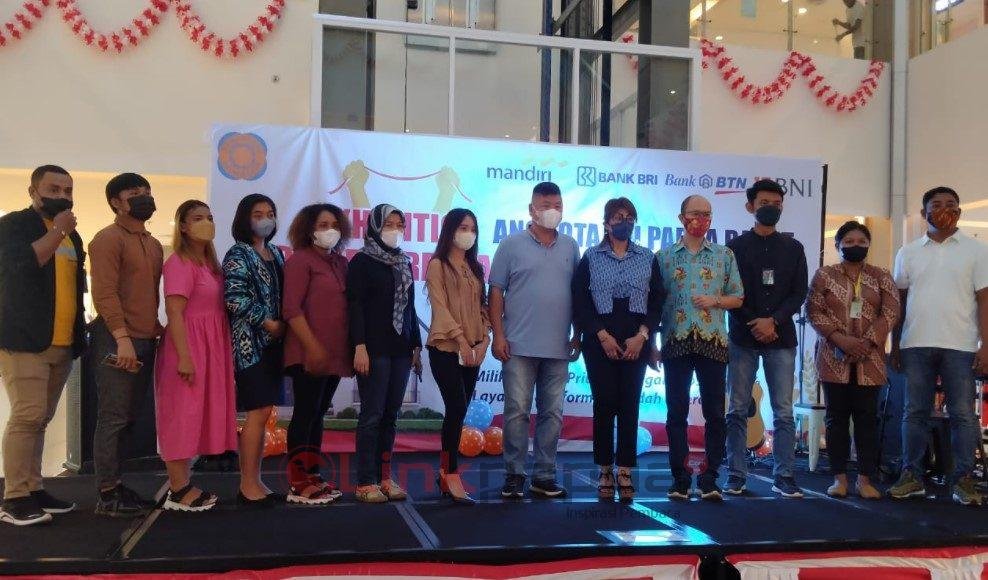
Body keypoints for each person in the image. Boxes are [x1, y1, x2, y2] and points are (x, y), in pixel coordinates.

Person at [889, 186, 988, 506]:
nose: (944, 209)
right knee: (914, 412)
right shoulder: (908, 252)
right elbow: (899, 303)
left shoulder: (977, 250)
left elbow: (984, 300)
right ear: (923, 213)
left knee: (963, 414)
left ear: (959, 211)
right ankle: (911, 476)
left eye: (950, 204)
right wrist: (895, 344)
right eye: (936, 205)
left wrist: (985, 345)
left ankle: (964, 480)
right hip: (915, 343)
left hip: (961, 344)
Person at [0, 165, 84, 526]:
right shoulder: (14, 225)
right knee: (27, 415)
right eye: (54, 189)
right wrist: (58, 230)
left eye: (68, 190)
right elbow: (20, 265)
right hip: (24, 340)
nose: (62, 196)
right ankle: (14, 496)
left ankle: (34, 488)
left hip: (61, 342)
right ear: (33, 192)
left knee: (41, 419)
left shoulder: (73, 237)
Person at [490, 181, 581, 499]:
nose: (552, 211)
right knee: (516, 412)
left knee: (552, 414)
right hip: (517, 346)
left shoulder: (571, 246)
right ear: (531, 209)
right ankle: (514, 474)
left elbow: (577, 294)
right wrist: (498, 335)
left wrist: (578, 334)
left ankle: (544, 475)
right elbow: (496, 292)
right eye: (545, 206)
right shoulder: (510, 244)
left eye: (557, 205)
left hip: (558, 347)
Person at [572, 197, 665, 502]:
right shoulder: (591, 256)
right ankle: (604, 470)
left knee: (629, 404)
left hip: (636, 337)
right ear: (606, 223)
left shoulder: (647, 257)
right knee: (604, 403)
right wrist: (601, 335)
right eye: (617, 217)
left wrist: (643, 336)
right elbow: (580, 300)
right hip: (600, 338)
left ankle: (625, 470)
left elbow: (657, 301)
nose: (624, 222)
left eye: (629, 217)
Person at [656, 195, 744, 501]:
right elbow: (655, 304)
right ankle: (679, 479)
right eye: (695, 214)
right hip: (675, 340)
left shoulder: (723, 255)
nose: (701, 219)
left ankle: (710, 478)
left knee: (715, 413)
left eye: (707, 214)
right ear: (681, 218)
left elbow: (738, 297)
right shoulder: (664, 257)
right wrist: (652, 342)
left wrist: (715, 300)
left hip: (713, 341)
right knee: (676, 412)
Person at [724, 179, 808, 498]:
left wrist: (773, 321)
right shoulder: (735, 248)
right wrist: (754, 322)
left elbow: (798, 292)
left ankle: (784, 475)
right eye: (764, 203)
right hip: (743, 337)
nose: (770, 208)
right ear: (750, 207)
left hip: (781, 336)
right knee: (737, 409)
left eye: (776, 203)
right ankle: (736, 474)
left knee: (783, 411)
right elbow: (730, 292)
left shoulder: (793, 248)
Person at [807, 220, 900, 500]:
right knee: (835, 419)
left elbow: (891, 311)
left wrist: (867, 342)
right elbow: (813, 310)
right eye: (849, 242)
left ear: (869, 245)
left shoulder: (882, 276)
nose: (855, 246)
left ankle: (865, 480)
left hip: (870, 360)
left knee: (867, 420)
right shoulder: (824, 275)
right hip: (833, 357)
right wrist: (841, 339)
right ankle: (839, 479)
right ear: (838, 245)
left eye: (861, 241)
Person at [156, 200, 238, 512]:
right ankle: (177, 489)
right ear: (183, 226)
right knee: (182, 414)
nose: (206, 222)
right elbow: (175, 313)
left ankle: (185, 482)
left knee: (198, 414)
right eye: (197, 218)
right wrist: (184, 357)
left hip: (211, 347)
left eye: (209, 217)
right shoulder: (179, 263)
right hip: (188, 346)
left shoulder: (211, 266)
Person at [89, 173, 163, 517]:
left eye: (146, 191)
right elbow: (104, 293)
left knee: (130, 418)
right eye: (134, 192)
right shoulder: (107, 239)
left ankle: (118, 484)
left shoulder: (154, 243)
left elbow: (147, 294)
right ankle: (107, 494)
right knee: (114, 417)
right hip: (117, 339)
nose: (143, 196)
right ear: (116, 202)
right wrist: (122, 339)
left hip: (145, 338)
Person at [347, 204, 422, 503]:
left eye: (399, 225)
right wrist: (359, 346)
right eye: (388, 224)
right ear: (375, 227)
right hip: (373, 348)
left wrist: (416, 346)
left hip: (401, 349)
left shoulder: (404, 262)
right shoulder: (361, 262)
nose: (395, 230)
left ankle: (385, 477)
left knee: (391, 415)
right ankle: (365, 481)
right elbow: (355, 306)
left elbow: (410, 308)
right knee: (372, 415)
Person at [282, 203, 354, 505]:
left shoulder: (341, 262)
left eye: (334, 225)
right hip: (307, 352)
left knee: (318, 414)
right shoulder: (300, 261)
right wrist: (312, 346)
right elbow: (291, 309)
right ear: (309, 229)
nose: (330, 230)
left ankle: (313, 475)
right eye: (323, 225)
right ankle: (298, 482)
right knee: (305, 413)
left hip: (334, 354)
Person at [222, 194, 286, 508]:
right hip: (249, 345)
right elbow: (234, 298)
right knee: (257, 413)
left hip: (275, 345)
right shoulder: (238, 253)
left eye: (270, 213)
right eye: (258, 214)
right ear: (245, 219)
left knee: (264, 413)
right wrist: (268, 322)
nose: (265, 219)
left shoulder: (276, 252)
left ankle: (257, 480)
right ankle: (247, 485)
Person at [426, 209, 491, 506]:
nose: (468, 233)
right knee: (455, 407)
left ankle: (446, 472)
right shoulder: (437, 265)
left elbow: (483, 308)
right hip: (446, 347)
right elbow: (440, 308)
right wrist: (462, 341)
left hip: (474, 348)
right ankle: (449, 472)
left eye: (473, 229)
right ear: (450, 230)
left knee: (460, 411)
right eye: (463, 227)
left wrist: (485, 340)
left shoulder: (475, 268)